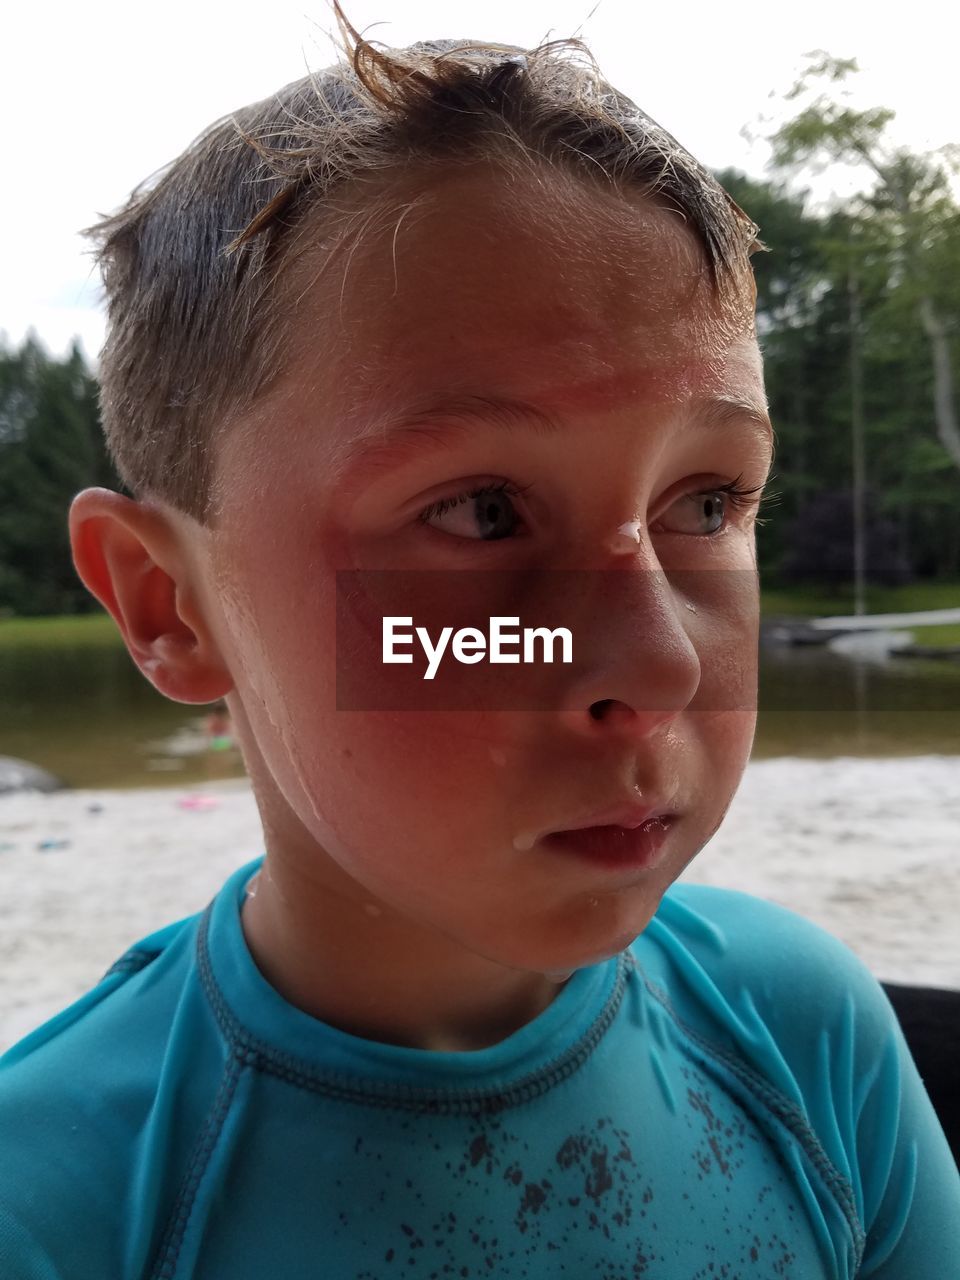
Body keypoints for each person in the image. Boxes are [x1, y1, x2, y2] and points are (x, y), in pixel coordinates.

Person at [2, 11, 957, 1277]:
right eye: (482, 512)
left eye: (710, 501)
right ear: (168, 604)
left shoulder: (804, 1030)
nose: (662, 662)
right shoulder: (55, 1199)